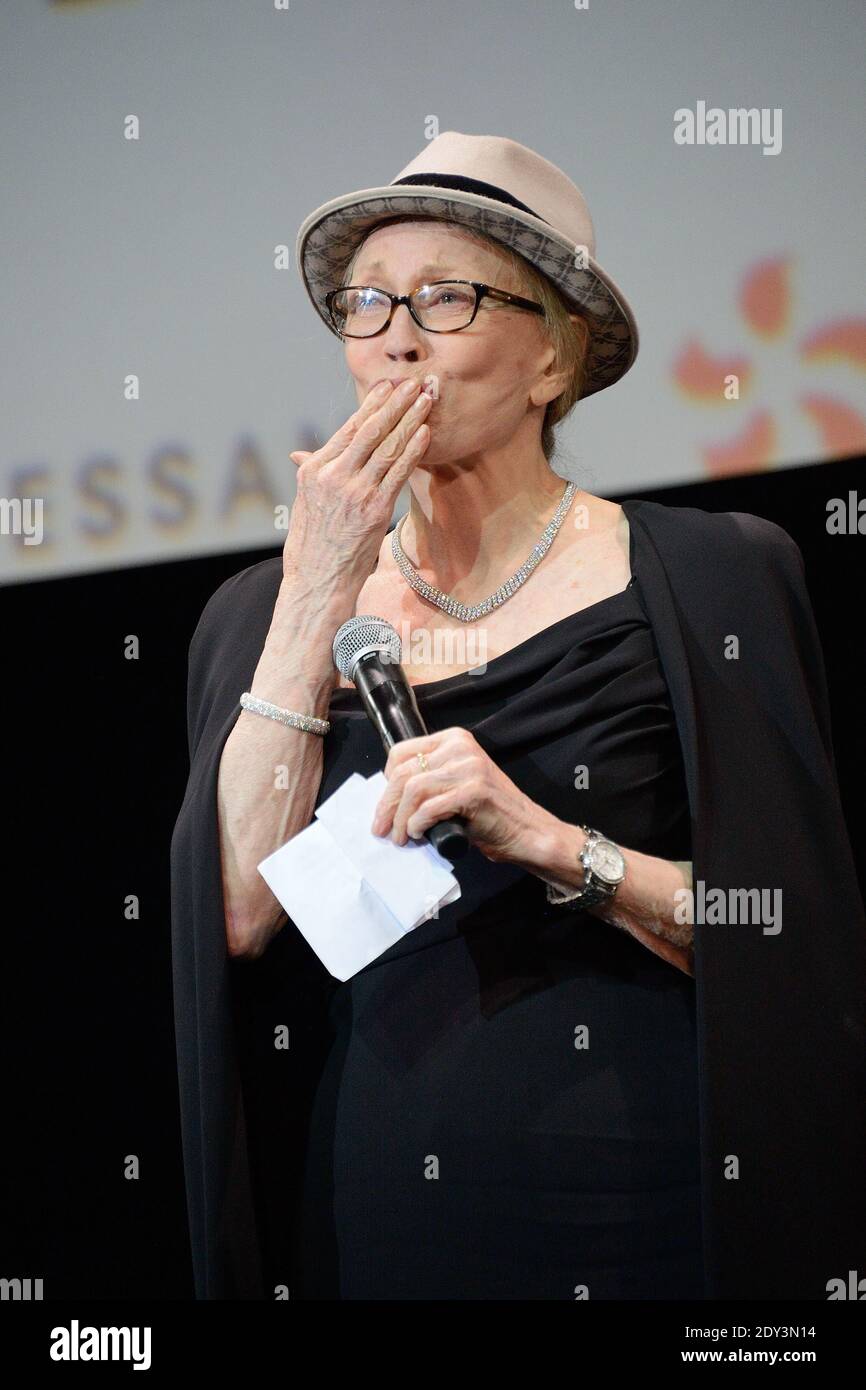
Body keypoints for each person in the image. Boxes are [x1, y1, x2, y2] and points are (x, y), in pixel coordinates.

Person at [170, 132, 866, 1301]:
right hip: (378, 1206)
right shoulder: (259, 612)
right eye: (367, 303)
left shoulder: (709, 579)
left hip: (647, 1198)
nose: (396, 334)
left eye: (446, 297)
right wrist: (311, 599)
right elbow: (235, 916)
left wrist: (552, 842)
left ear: (552, 356)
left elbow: (795, 939)